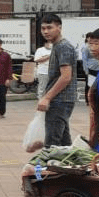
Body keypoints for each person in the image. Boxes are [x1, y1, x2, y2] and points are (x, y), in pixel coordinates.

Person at [36, 13, 78, 147]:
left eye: (49, 27)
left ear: (59, 28)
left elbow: (66, 77)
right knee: (63, 143)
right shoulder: (57, 45)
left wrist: (47, 98)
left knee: (52, 143)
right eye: (43, 28)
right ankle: (70, 166)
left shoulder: (63, 46)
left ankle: (49, 166)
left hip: (61, 100)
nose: (46, 31)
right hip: (61, 99)